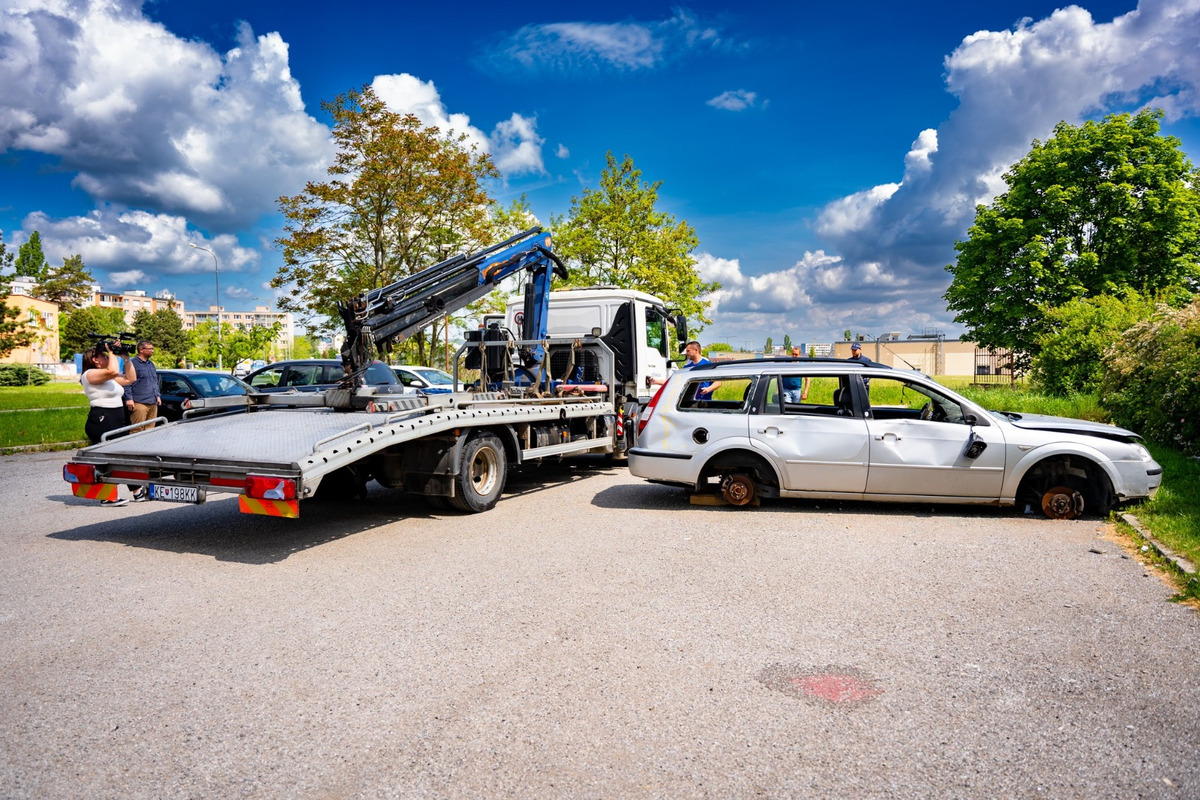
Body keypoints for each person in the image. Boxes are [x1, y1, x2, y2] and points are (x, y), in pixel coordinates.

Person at [80, 343, 138, 507]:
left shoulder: (108, 377)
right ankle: (108, 497)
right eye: (103, 355)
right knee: (107, 458)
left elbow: (130, 378)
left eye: (107, 355)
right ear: (95, 360)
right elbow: (112, 370)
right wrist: (112, 351)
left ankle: (137, 491)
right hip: (102, 418)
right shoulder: (89, 374)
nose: (107, 357)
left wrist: (126, 358)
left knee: (125, 455)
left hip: (117, 417)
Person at [123, 340, 162, 436]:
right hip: (139, 403)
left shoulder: (151, 364)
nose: (152, 351)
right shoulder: (131, 364)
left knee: (150, 431)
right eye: (150, 349)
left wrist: (157, 395)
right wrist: (129, 399)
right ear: (141, 349)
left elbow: (154, 381)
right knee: (137, 431)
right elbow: (127, 382)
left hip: (153, 402)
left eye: (152, 349)